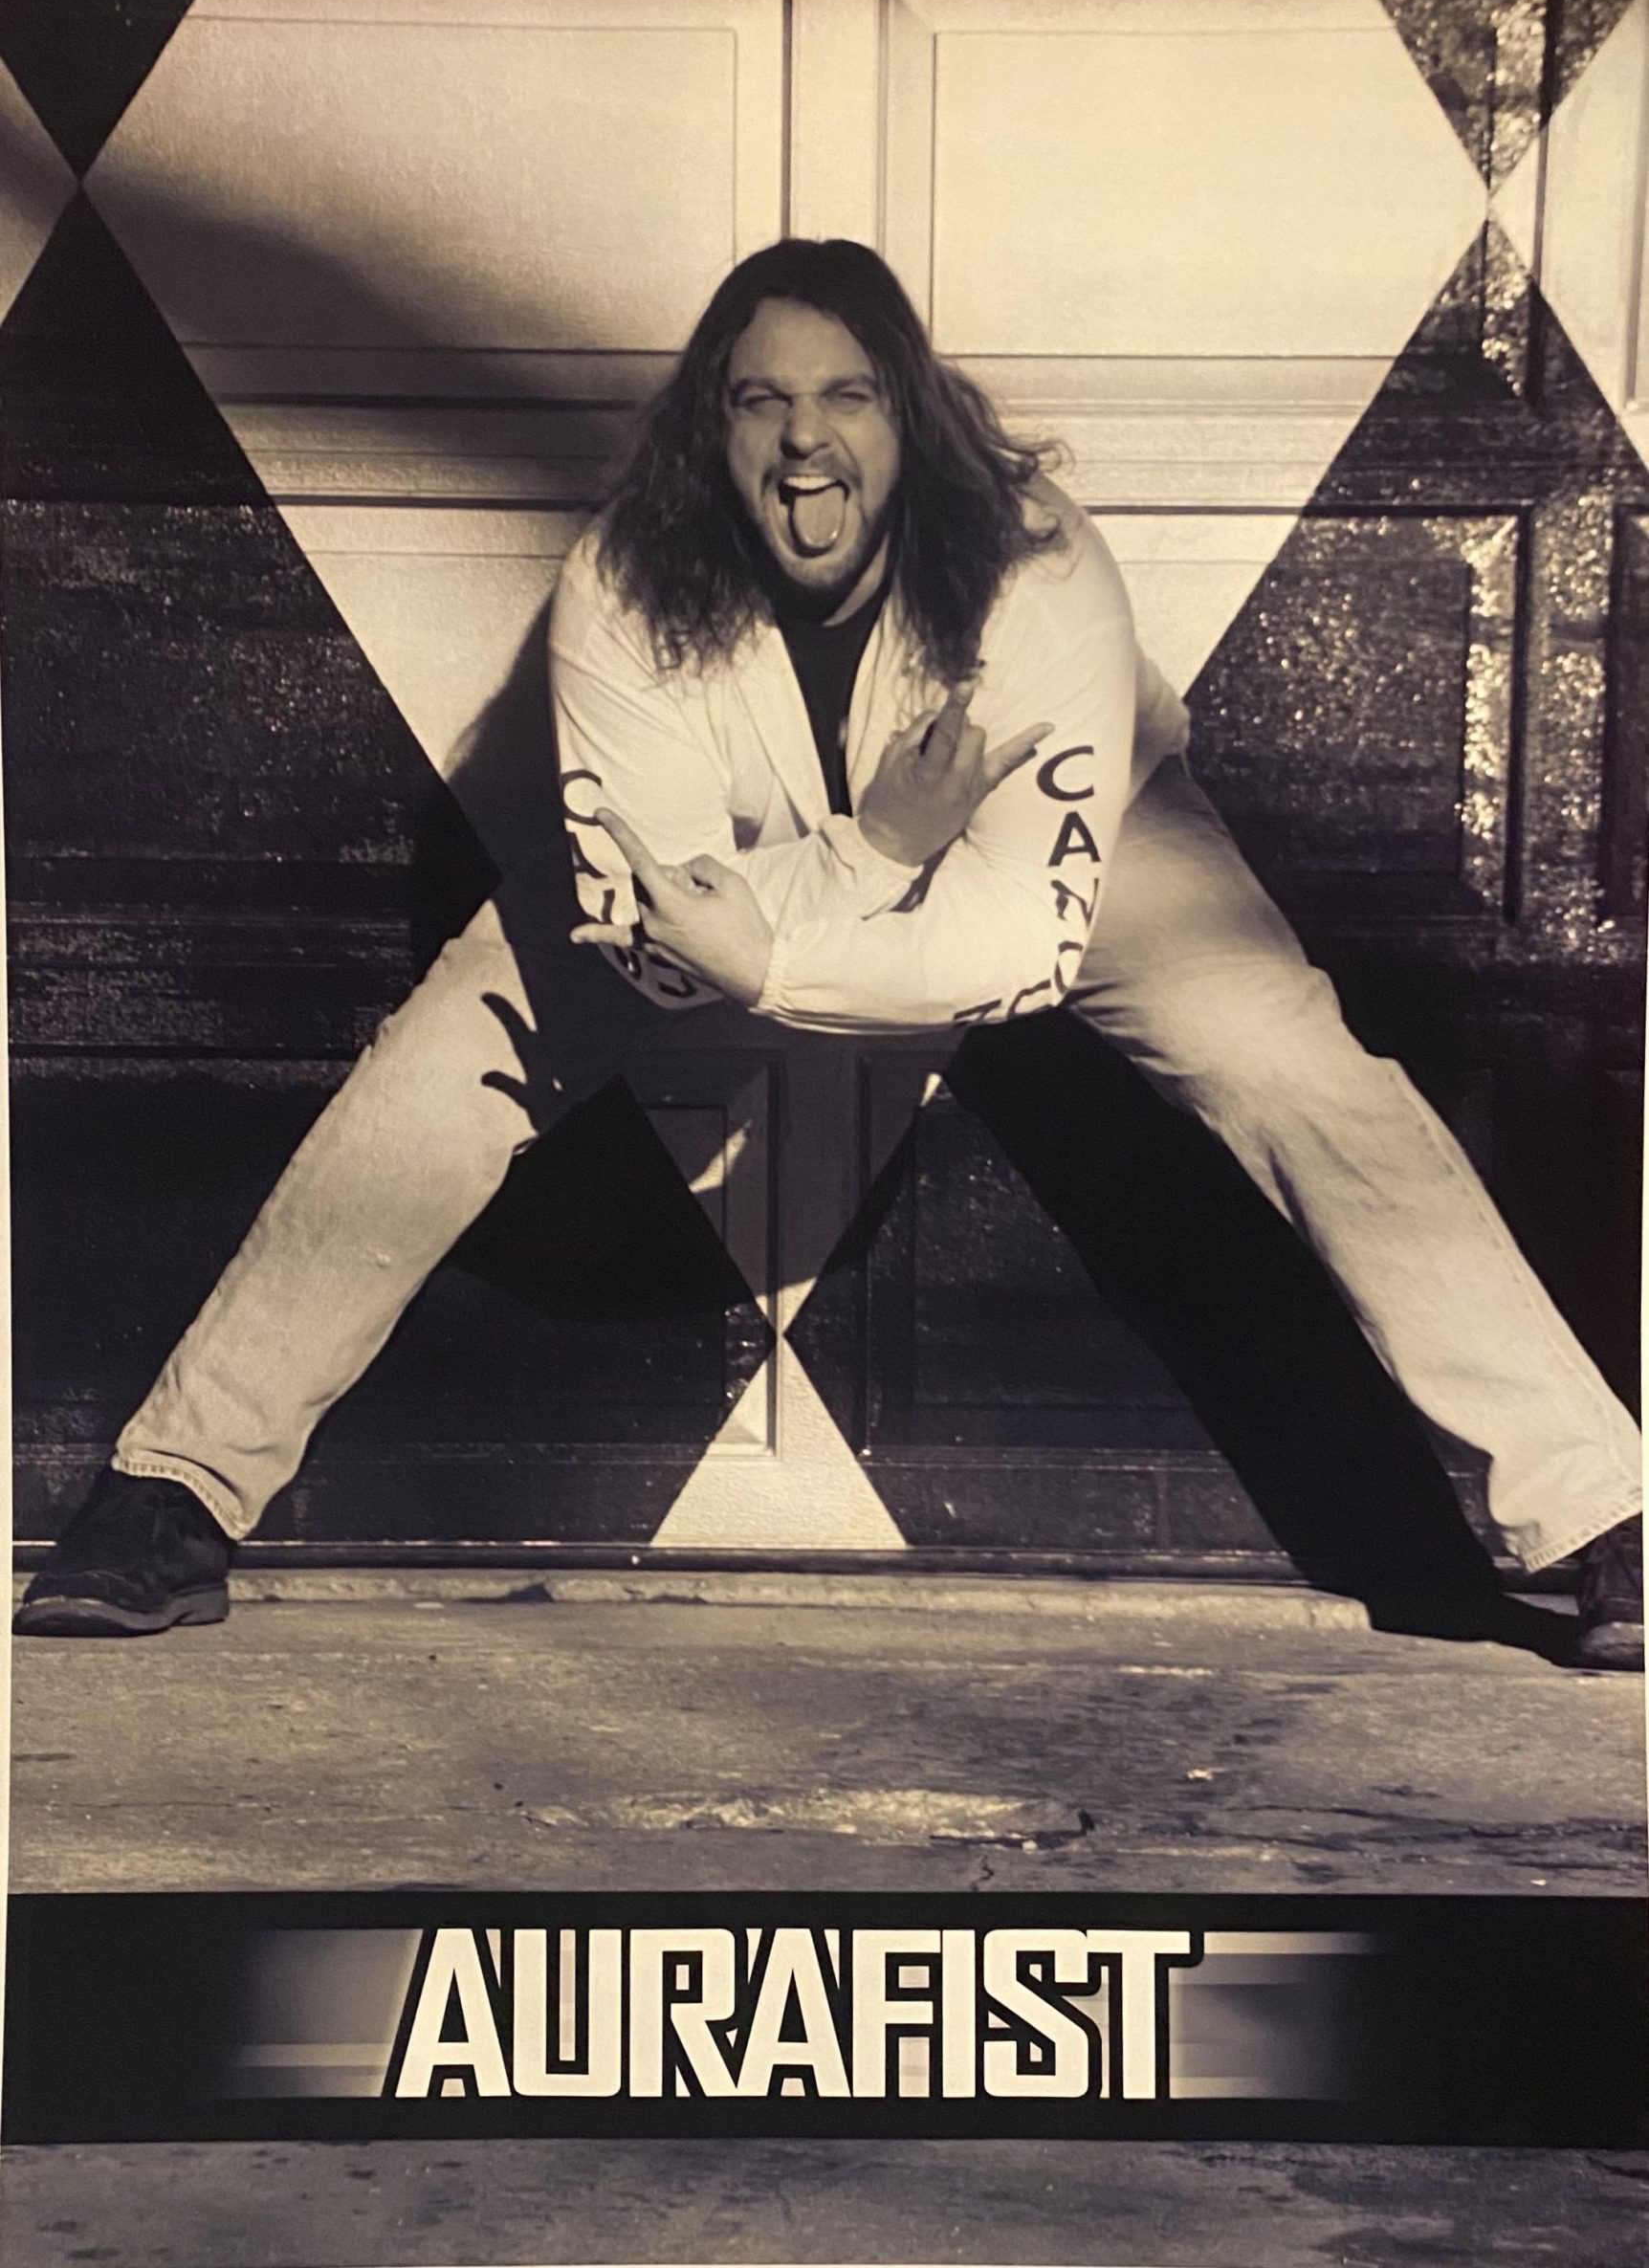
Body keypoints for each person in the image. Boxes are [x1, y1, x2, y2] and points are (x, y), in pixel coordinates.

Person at [15, 239, 1643, 1667]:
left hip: (1054, 842)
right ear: (711, 434)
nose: (805, 436)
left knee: (1307, 1077)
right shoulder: (621, 581)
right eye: (760, 401)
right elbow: (654, 935)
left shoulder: (1033, 558)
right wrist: (867, 857)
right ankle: (173, 1491)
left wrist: (798, 934)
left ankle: (1602, 1513)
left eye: (847, 394)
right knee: (437, 1071)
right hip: (773, 873)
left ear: (906, 419)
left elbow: (1019, 938)